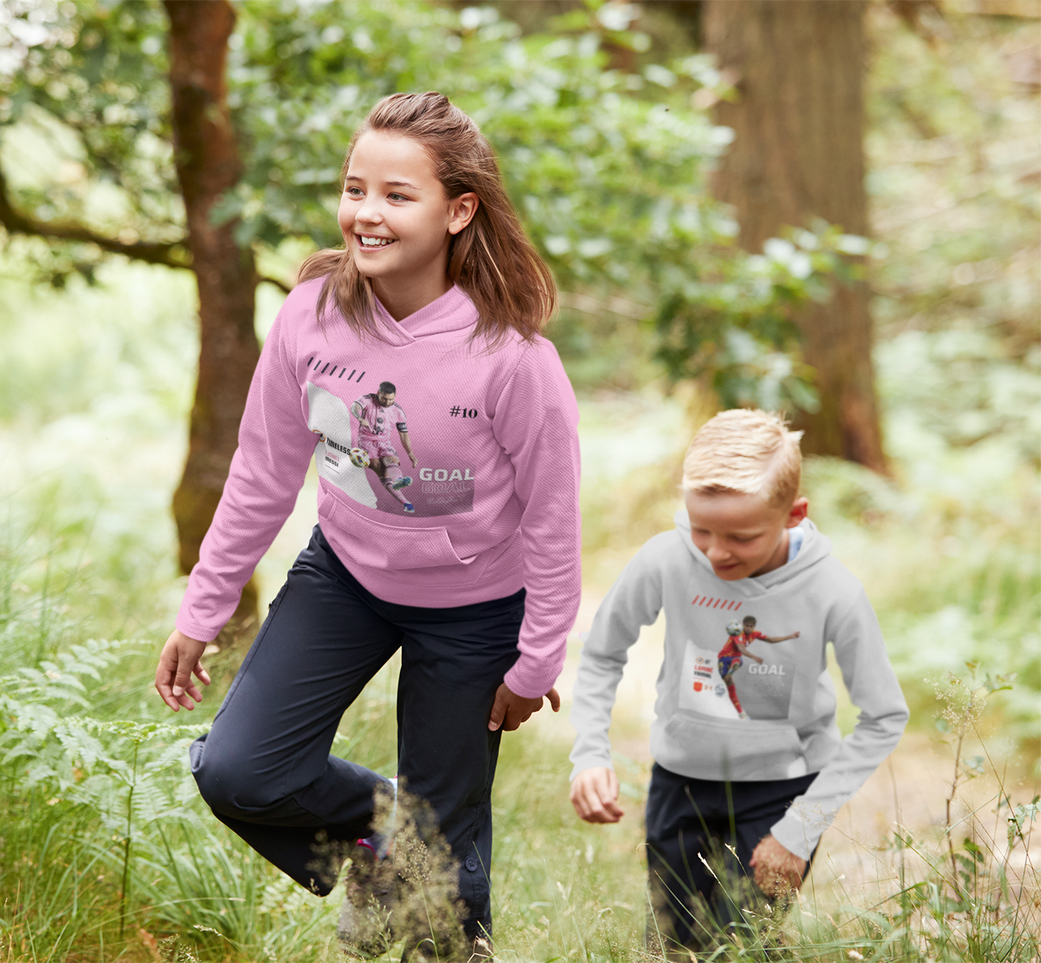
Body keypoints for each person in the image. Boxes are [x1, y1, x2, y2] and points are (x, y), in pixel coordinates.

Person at [153, 92, 581, 962]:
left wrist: (535, 658)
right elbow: (263, 470)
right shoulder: (310, 313)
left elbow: (551, 521)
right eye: (355, 189)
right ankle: (384, 818)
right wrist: (203, 608)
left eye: (396, 194)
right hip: (345, 576)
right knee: (239, 770)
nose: (366, 213)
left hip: (475, 608)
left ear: (459, 211)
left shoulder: (513, 359)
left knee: (445, 857)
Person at [566, 409, 909, 956]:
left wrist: (801, 828)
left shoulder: (833, 591)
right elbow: (603, 650)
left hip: (782, 791)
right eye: (700, 528)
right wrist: (589, 755)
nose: (715, 552)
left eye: (740, 536)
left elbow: (885, 716)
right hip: (679, 785)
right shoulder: (666, 558)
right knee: (674, 945)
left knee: (748, 944)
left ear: (794, 515)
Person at [351, 381, 419, 512]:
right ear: (378, 394)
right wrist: (359, 418)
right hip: (366, 440)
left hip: (384, 441)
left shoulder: (398, 411)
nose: (387, 402)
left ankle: (399, 481)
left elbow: (404, 434)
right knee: (378, 466)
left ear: (395, 397)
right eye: (384, 398)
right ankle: (405, 501)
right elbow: (354, 406)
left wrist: (410, 454)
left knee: (390, 460)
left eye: (391, 399)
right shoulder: (368, 399)